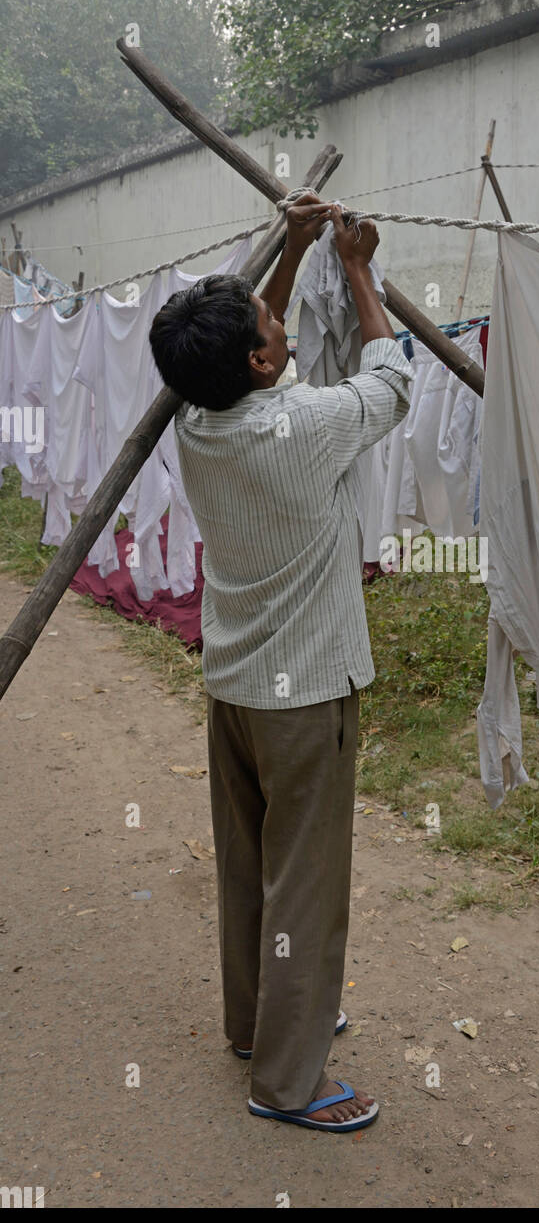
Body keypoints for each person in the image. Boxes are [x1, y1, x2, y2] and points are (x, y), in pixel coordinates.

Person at [149, 194, 413, 1132]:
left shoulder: (194, 422)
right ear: (262, 358)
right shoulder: (304, 427)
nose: (279, 316)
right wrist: (355, 270)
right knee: (303, 878)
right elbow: (391, 376)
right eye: (271, 319)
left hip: (234, 689)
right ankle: (289, 1085)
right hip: (304, 699)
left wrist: (294, 247)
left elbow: (247, 351)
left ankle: (257, 1026)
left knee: (248, 864)